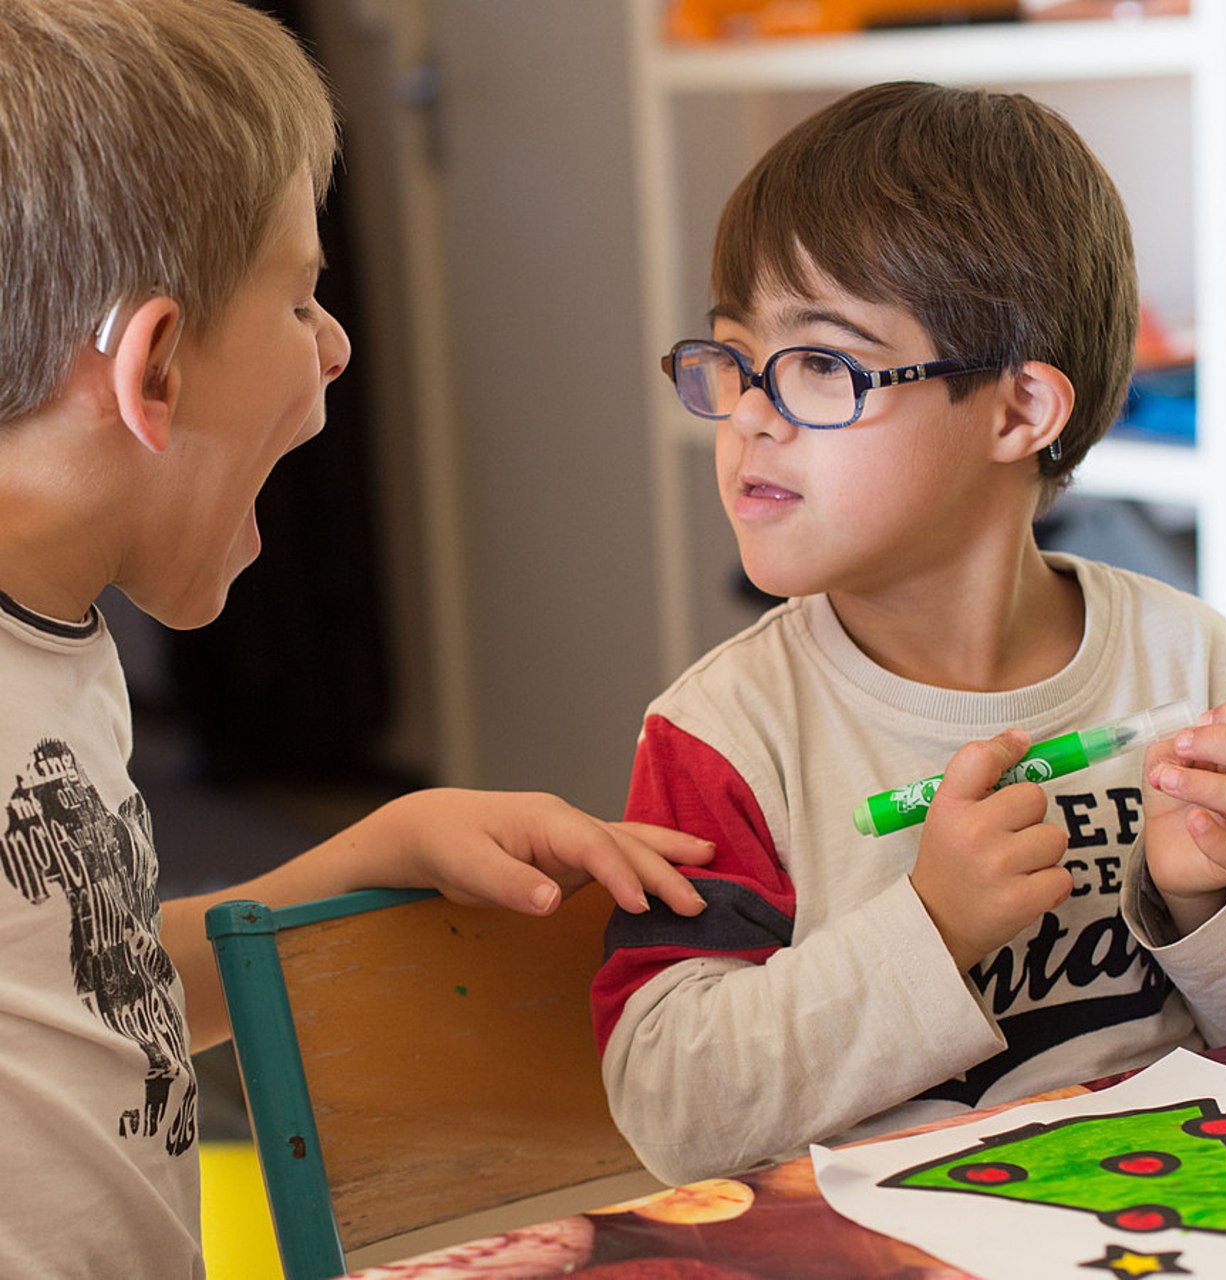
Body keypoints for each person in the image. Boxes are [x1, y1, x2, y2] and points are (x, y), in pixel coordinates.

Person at [0, 2, 711, 1274]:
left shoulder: (57, 638)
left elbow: (73, 990)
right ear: (154, 368)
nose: (333, 345)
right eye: (301, 296)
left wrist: (370, 855)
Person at [590, 80, 1226, 1188]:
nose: (752, 411)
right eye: (732, 356)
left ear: (1016, 413)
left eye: (821, 363)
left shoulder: (1194, 668)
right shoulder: (723, 735)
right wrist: (927, 923)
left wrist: (1210, 900)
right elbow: (672, 1106)